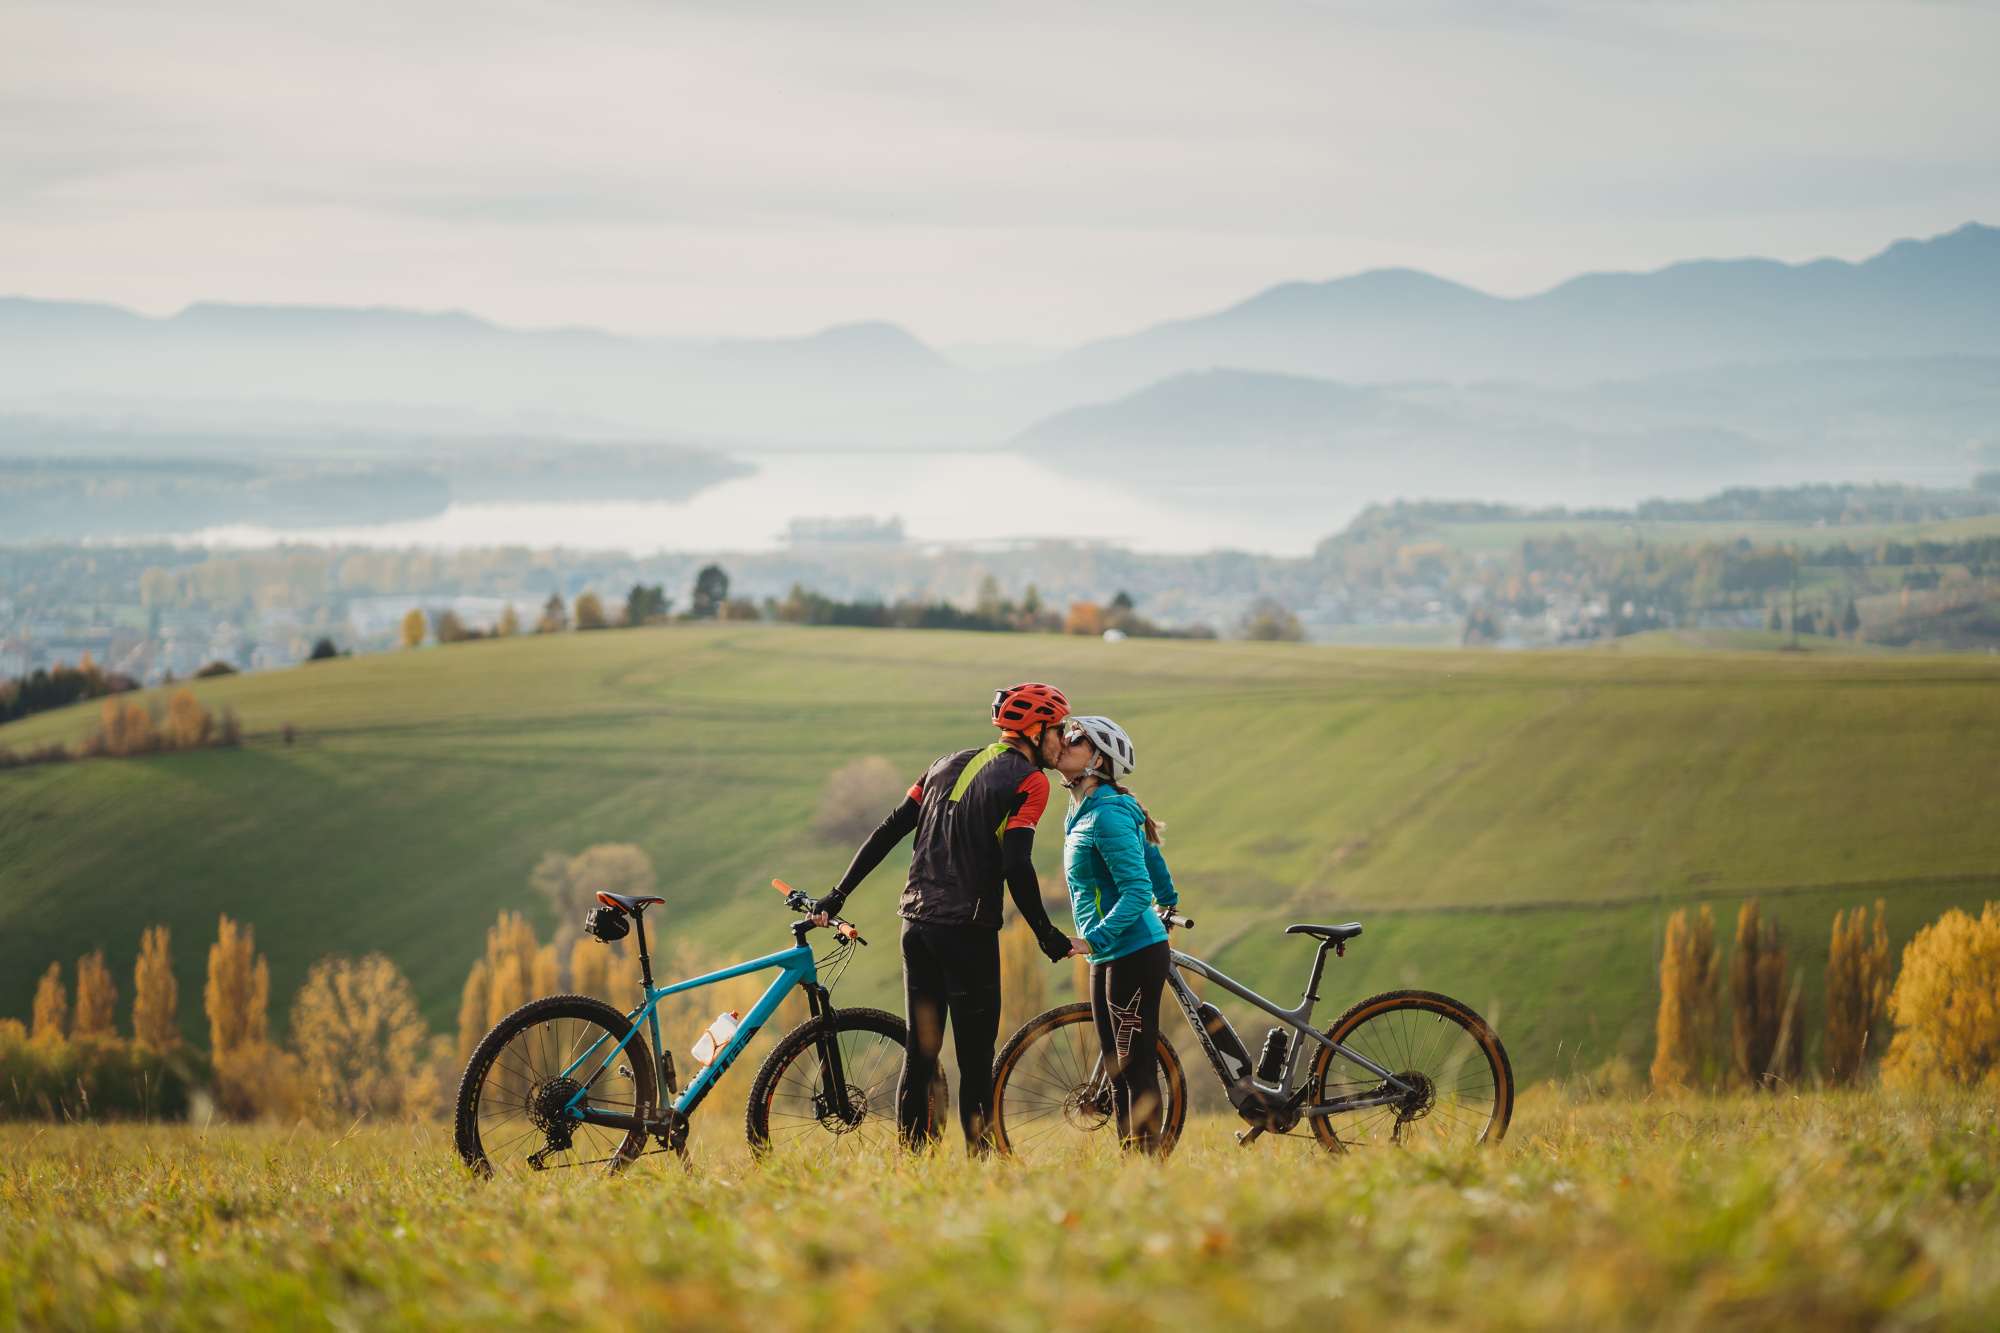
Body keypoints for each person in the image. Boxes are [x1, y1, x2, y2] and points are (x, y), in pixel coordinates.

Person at [809, 682, 1077, 1153]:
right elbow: (1016, 864)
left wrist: (838, 894)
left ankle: (913, 1166)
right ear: (1035, 731)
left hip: (916, 927)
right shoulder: (1029, 782)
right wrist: (1047, 935)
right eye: (1058, 729)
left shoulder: (942, 764)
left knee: (921, 1054)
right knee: (976, 1061)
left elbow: (889, 829)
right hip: (966, 933)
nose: (1063, 739)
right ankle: (983, 1167)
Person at [1054, 714, 1178, 1154]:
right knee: (1118, 1067)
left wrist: (1092, 940)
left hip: (1131, 951)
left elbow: (1135, 889)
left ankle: (1146, 1172)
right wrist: (1170, 899)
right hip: (1109, 954)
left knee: (1134, 1068)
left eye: (1076, 738)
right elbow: (1151, 860)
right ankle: (1135, 1167)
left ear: (1098, 760)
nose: (1064, 741)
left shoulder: (1105, 814)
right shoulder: (1086, 810)